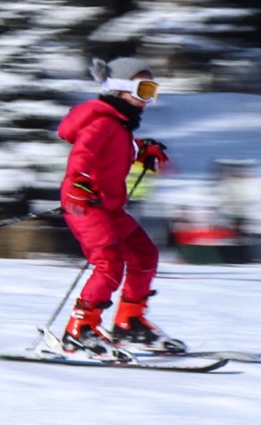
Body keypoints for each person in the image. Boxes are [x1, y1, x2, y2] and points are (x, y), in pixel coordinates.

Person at [57, 56, 176, 356]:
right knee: (109, 264)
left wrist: (142, 149)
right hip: (85, 205)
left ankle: (129, 323)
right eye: (143, 90)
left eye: (152, 91)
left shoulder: (118, 126)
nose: (148, 99)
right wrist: (80, 184)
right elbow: (83, 155)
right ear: (120, 89)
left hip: (108, 208)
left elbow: (119, 148)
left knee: (144, 254)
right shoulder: (101, 123)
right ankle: (80, 329)